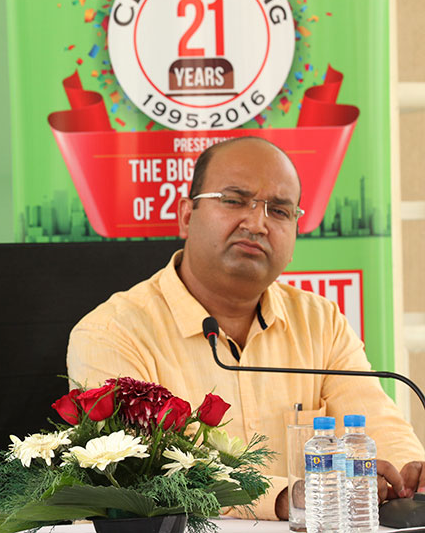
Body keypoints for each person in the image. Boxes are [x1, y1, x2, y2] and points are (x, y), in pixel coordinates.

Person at [67, 136, 425, 520]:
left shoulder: (320, 322)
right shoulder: (111, 332)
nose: (257, 224)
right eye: (234, 201)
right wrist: (287, 497)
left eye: (280, 211)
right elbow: (140, 476)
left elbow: (376, 422)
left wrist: (411, 475)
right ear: (186, 215)